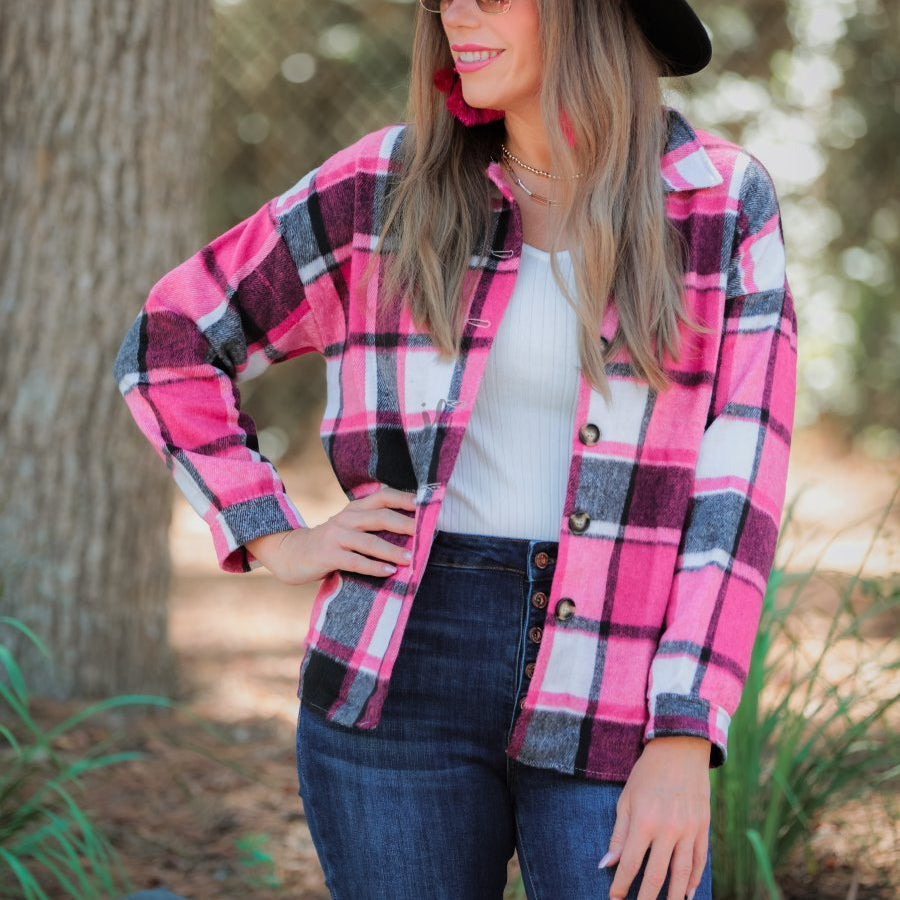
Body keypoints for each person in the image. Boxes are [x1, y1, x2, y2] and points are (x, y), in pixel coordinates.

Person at [113, 0, 797, 897]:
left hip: (621, 679)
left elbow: (737, 489)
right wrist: (274, 534)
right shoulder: (381, 188)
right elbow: (173, 340)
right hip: (400, 665)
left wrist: (682, 733)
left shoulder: (720, 201)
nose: (452, 15)